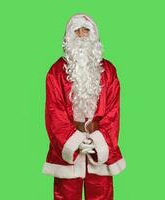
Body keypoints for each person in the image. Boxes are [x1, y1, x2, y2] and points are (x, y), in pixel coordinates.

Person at [42, 13, 126, 200]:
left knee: (102, 195)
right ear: (68, 37)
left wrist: (98, 141)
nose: (81, 35)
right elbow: (53, 112)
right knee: (65, 195)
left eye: (86, 30)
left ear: (94, 35)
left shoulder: (109, 71)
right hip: (67, 149)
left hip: (100, 146)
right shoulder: (56, 72)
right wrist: (74, 140)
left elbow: (113, 112)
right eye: (76, 31)